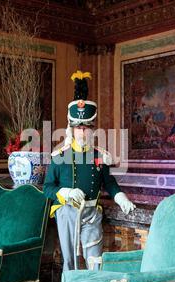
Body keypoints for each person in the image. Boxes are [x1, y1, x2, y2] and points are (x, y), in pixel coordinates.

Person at [43, 71, 136, 271]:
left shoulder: (100, 156)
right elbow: (47, 188)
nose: (82, 131)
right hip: (66, 212)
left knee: (95, 261)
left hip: (92, 213)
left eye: (86, 127)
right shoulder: (60, 155)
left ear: (92, 129)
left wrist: (120, 198)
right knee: (70, 263)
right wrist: (65, 193)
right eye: (78, 128)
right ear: (71, 129)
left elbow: (108, 183)